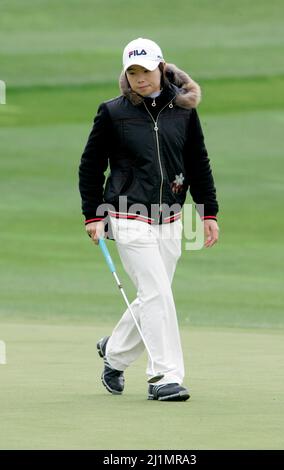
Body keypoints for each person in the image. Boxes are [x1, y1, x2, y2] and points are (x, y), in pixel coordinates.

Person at [79, 37, 219, 402]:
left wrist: (208, 210)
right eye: (133, 72)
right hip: (126, 212)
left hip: (170, 215)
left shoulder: (184, 111)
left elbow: (197, 162)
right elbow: (91, 165)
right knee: (156, 292)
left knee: (154, 294)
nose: (140, 78)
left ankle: (114, 352)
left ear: (161, 67)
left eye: (146, 70)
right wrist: (93, 214)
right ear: (126, 74)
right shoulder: (113, 112)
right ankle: (164, 376)